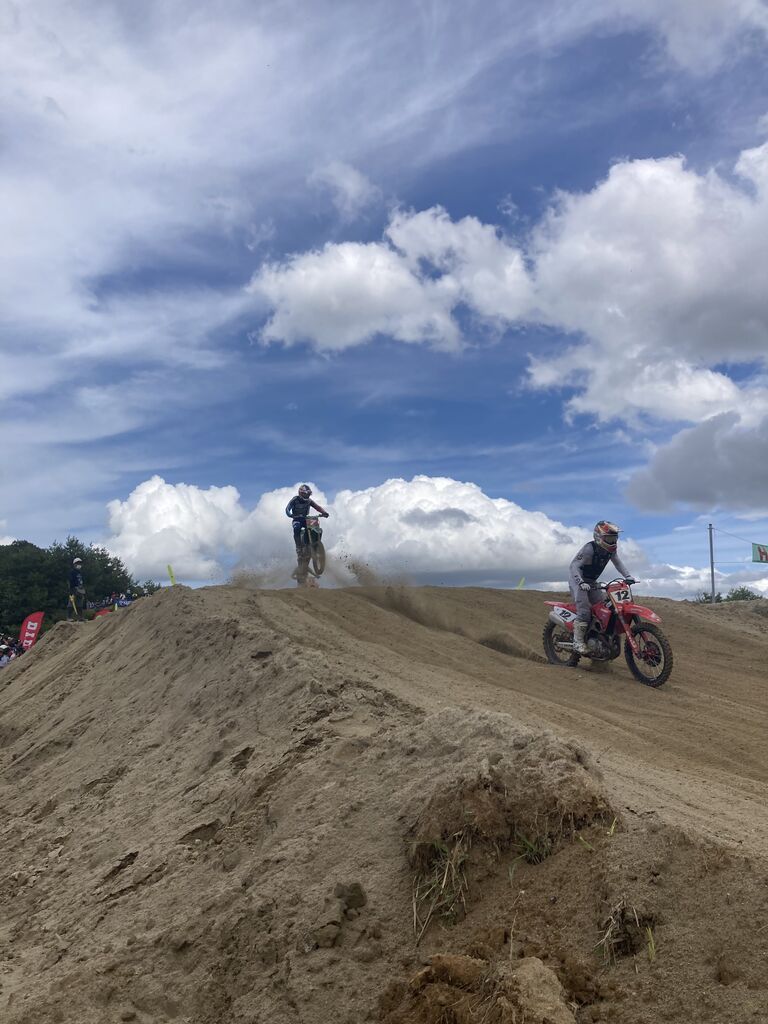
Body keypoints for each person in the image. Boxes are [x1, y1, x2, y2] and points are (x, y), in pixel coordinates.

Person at [569, 521, 636, 654]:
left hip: (592, 582)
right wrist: (580, 582)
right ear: (598, 537)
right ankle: (577, 641)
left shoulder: (610, 551)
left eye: (614, 538)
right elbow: (574, 566)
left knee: (603, 608)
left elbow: (618, 563)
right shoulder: (589, 549)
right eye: (609, 538)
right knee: (584, 611)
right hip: (578, 580)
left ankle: (597, 637)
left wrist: (628, 576)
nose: (612, 542)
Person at [285, 485, 329, 580]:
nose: (307, 496)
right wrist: (291, 515)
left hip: (305, 519)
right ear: (301, 493)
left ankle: (316, 544)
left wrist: (324, 512)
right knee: (296, 528)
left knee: (315, 527)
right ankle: (299, 547)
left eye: (308, 495)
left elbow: (317, 507)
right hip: (297, 519)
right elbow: (287, 509)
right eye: (306, 494)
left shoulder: (309, 501)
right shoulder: (295, 499)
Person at [67, 557, 87, 621]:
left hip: (80, 589)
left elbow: (81, 581)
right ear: (74, 564)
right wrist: (71, 590)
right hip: (74, 589)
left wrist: (82, 588)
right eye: (78, 563)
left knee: (79, 604)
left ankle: (80, 617)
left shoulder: (80, 572)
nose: (79, 564)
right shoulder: (72, 572)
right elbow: (70, 581)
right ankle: (69, 617)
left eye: (80, 563)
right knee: (71, 603)